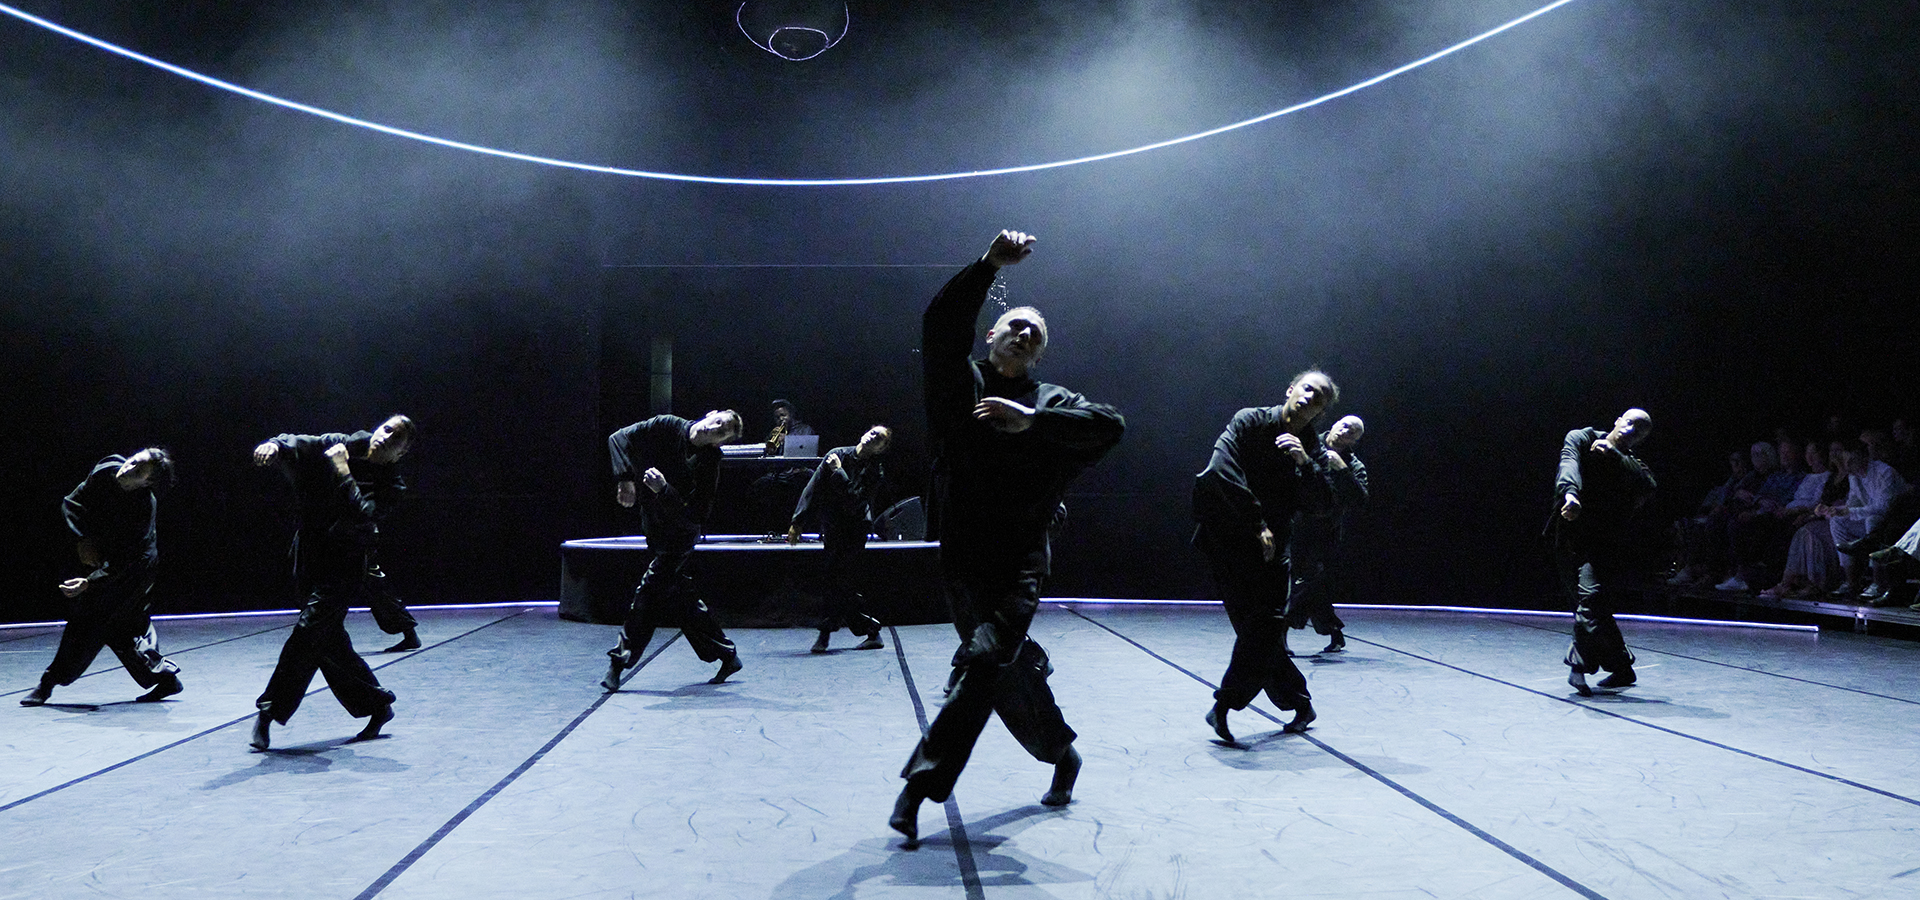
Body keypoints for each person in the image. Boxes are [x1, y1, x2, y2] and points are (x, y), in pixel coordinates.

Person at [889, 230, 1124, 846]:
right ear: (990, 335)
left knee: (986, 659)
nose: (1023, 335)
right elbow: (940, 326)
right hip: (963, 557)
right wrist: (989, 264)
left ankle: (919, 786)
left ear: (1040, 357)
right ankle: (1062, 751)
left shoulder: (1052, 400)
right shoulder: (958, 385)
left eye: (1035, 335)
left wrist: (1034, 421)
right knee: (1002, 668)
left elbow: (1109, 427)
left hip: (1021, 557)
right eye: (1013, 326)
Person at [1194, 370, 1340, 745]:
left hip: (1275, 553)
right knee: (1256, 632)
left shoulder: (1313, 448)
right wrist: (1256, 522)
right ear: (1291, 389)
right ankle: (1300, 703)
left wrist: (1305, 463)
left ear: (1321, 411)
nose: (1311, 396)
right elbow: (1218, 472)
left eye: (1320, 397)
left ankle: (1224, 706)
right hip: (1230, 540)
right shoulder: (1250, 420)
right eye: (1308, 388)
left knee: (1265, 626)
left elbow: (1324, 503)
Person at [249, 417, 413, 749]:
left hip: (345, 565)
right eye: (385, 428)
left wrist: (342, 470)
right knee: (328, 641)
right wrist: (276, 444)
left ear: (401, 452)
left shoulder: (392, 486)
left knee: (309, 631)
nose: (385, 436)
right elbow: (304, 440)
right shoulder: (346, 442)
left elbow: (363, 514)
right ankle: (377, 704)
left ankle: (268, 713)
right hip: (309, 554)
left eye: (395, 437)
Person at [22, 449, 183, 707]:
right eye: (133, 461)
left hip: (135, 569)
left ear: (147, 482)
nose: (127, 468)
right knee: (125, 630)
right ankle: (165, 679)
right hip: (107, 553)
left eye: (138, 470)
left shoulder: (143, 506)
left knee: (90, 619)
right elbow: (73, 502)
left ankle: (49, 682)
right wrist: (82, 538)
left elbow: (131, 561)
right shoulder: (108, 468)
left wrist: (90, 581)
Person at [602, 409, 748, 691]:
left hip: (679, 537)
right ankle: (726, 654)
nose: (715, 428)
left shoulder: (709, 461)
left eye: (722, 431)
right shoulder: (667, 426)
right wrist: (624, 478)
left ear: (721, 442)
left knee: (648, 595)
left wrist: (664, 490)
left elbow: (697, 514)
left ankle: (618, 663)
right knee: (681, 598)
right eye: (718, 421)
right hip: (654, 527)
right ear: (709, 414)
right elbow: (618, 438)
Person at [1551, 408, 1656, 696]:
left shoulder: (1632, 466)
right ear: (1618, 420)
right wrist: (1570, 493)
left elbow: (1647, 486)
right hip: (1569, 537)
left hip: (1602, 544)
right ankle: (1622, 668)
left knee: (1591, 599)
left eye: (1640, 431)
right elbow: (1568, 463)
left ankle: (1578, 669)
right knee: (1593, 608)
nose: (1632, 430)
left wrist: (1615, 455)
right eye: (1630, 423)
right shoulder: (1582, 438)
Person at [787, 424, 894, 653]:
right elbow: (813, 487)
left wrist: (839, 472)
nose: (872, 436)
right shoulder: (837, 454)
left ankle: (825, 633)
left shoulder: (874, 470)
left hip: (855, 529)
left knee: (836, 579)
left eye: (879, 438)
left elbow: (855, 500)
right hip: (833, 526)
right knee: (838, 581)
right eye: (872, 432)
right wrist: (798, 521)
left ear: (881, 448)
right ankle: (871, 629)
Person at [1287, 414, 1369, 654]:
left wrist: (1342, 470)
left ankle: (1279, 631)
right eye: (1344, 425)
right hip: (1294, 526)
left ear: (1354, 441)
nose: (1345, 432)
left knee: (1307, 584)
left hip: (1324, 534)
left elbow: (1360, 500)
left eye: (1352, 432)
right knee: (1299, 584)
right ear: (1334, 424)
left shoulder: (1353, 466)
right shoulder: (1308, 444)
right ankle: (1333, 631)